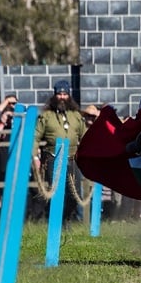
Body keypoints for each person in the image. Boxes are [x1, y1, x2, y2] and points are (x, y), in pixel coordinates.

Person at [32, 80, 87, 223]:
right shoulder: (46, 116)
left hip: (72, 159)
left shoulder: (76, 116)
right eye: (59, 94)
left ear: (69, 95)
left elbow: (86, 137)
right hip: (52, 158)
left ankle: (66, 219)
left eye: (65, 94)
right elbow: (35, 137)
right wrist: (35, 158)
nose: (62, 97)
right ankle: (55, 222)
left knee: (74, 195)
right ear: (54, 95)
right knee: (55, 193)